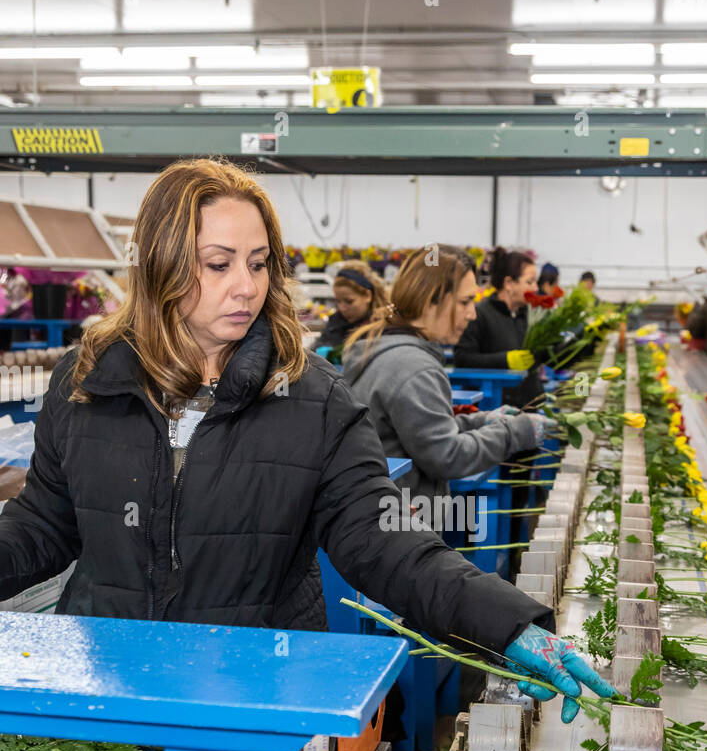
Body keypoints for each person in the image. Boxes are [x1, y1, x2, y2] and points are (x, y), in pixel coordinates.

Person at [0, 158, 614, 721]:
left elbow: (383, 538)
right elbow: (46, 524)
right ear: (160, 263)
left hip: (251, 702)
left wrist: (507, 625)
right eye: (219, 264)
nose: (247, 285)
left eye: (259, 263)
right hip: (102, 694)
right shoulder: (88, 381)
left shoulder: (310, 396)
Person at [342, 246, 549, 518]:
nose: (472, 314)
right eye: (465, 302)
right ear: (431, 301)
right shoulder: (415, 368)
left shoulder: (382, 349)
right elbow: (448, 456)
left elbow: (417, 432)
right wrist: (516, 432)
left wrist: (481, 421)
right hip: (399, 531)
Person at [453, 246, 542, 409]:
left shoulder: (528, 316)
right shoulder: (479, 314)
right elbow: (462, 358)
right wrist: (504, 360)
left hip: (529, 406)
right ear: (509, 283)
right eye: (530, 282)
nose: (536, 288)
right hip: (493, 407)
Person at [318, 259, 387, 350]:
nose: (342, 308)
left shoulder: (382, 328)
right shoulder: (334, 324)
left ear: (367, 296)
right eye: (338, 301)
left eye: (349, 301)